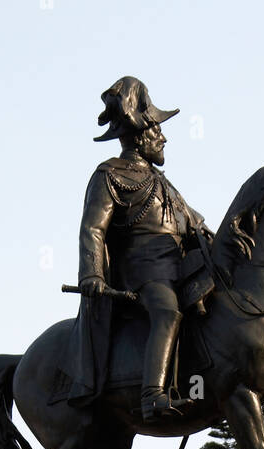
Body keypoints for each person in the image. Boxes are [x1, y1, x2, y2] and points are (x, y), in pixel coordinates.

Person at [77, 76, 213, 420]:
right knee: (167, 312)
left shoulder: (161, 182)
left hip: (177, 267)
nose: (163, 137)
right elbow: (93, 227)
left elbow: (193, 222)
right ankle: (152, 395)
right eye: (157, 130)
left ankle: (232, 385)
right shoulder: (109, 175)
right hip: (142, 273)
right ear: (140, 135)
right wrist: (91, 272)